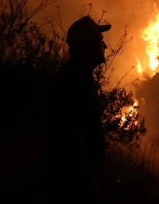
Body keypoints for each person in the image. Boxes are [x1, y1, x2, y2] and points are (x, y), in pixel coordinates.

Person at [44, 15, 111, 203]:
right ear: (87, 45)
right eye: (100, 41)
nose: (104, 47)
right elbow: (72, 137)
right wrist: (89, 183)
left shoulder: (77, 77)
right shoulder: (75, 81)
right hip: (75, 186)